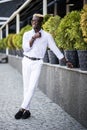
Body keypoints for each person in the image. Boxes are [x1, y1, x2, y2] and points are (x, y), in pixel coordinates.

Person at [15, 13, 73, 119]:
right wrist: (33, 38)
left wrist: (66, 61)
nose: (34, 22)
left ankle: (22, 108)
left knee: (33, 86)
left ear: (41, 23)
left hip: (37, 63)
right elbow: (26, 49)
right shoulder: (27, 34)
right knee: (26, 87)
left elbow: (55, 49)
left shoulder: (47, 36)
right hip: (26, 61)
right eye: (33, 20)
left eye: (37, 21)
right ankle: (27, 111)